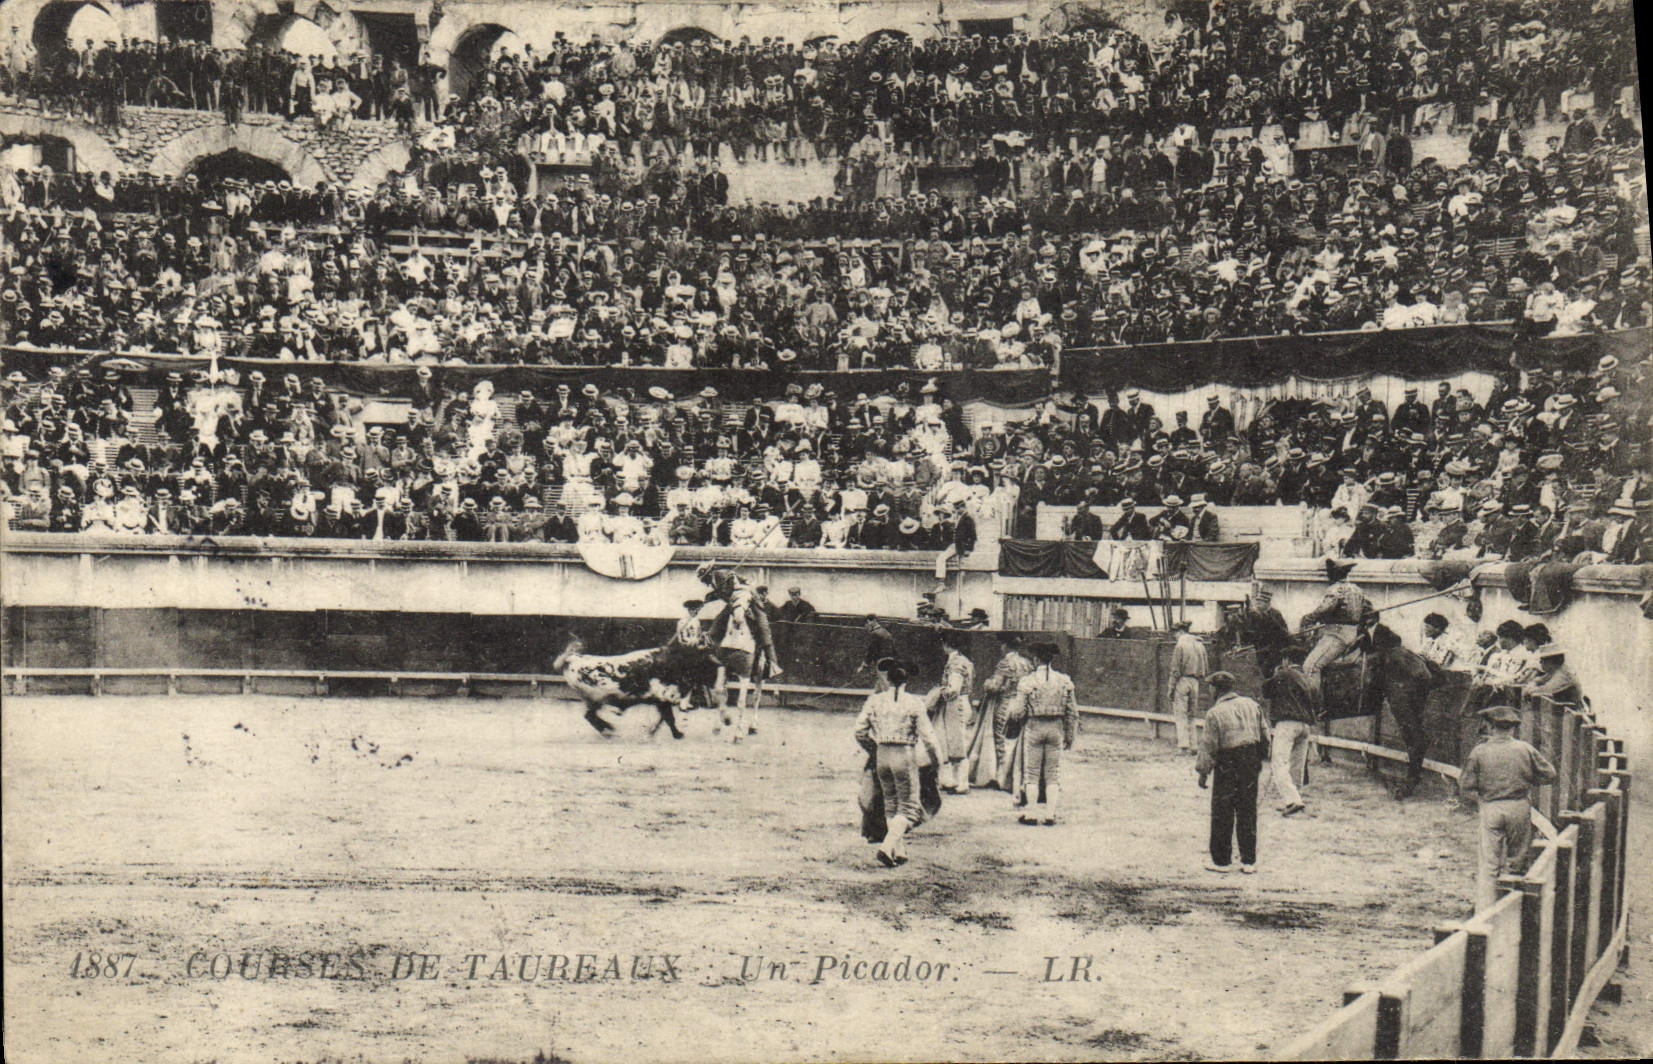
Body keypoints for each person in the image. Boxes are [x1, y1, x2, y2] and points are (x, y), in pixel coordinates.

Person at [1458, 705, 1557, 911]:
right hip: (1519, 806)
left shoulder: (1479, 751)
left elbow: (1466, 785)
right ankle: (1510, 909)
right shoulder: (1525, 749)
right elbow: (1550, 774)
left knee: (1489, 864)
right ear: (1512, 728)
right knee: (1516, 861)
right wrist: (1526, 781)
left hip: (1491, 807)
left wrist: (1483, 793)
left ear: (1491, 726)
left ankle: (1484, 911)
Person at [854, 662, 941, 867]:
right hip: (904, 755)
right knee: (909, 808)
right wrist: (937, 761)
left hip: (882, 754)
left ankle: (898, 851)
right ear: (906, 681)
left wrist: (873, 748)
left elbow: (859, 731)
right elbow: (928, 738)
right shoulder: (914, 703)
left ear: (887, 679)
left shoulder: (875, 700)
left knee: (891, 805)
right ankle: (886, 847)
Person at [1196, 671, 1269, 874]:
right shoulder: (1251, 705)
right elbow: (1264, 734)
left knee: (1223, 810)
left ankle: (1222, 862)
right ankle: (1249, 861)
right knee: (1247, 808)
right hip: (1250, 758)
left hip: (1227, 761)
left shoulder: (1214, 713)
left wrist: (1203, 773)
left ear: (1216, 690)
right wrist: (1259, 759)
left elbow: (1208, 746)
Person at [1006, 642, 1078, 825]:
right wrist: (1070, 736)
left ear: (1036, 659)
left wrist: (1014, 720)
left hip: (1034, 727)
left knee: (1032, 772)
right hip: (1056, 728)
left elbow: (1018, 711)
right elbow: (1072, 712)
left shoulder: (1028, 681)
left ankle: (1031, 814)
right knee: (1052, 772)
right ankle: (1050, 815)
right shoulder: (1064, 680)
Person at [1299, 558, 1376, 706]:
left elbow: (1325, 608)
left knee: (1310, 666)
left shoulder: (1334, 590)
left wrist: (1307, 619)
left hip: (1335, 635)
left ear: (1334, 574)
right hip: (1353, 635)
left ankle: (1314, 707)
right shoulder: (1358, 590)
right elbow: (1371, 613)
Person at [1261, 649, 1317, 817]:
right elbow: (1317, 698)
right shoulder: (1308, 677)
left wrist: (1276, 672)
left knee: (1279, 763)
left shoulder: (1283, 674)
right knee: (1296, 765)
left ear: (1286, 659)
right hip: (1305, 726)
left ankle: (1293, 801)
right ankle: (1295, 797)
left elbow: (1266, 690)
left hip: (1287, 723)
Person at [975, 632, 1032, 786]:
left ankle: (1001, 777)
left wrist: (986, 683)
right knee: (1016, 740)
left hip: (1005, 704)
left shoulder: (1005, 663)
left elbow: (995, 686)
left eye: (1002, 644)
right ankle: (1015, 776)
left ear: (1006, 646)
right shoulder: (1026, 663)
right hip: (1022, 704)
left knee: (1000, 738)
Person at [929, 629, 975, 795]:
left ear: (946, 645)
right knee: (954, 742)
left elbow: (953, 689)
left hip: (955, 704)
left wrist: (938, 692)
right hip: (959, 704)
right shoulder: (963, 661)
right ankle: (955, 781)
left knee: (956, 743)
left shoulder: (956, 664)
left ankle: (961, 783)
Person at [1167, 618, 1208, 754]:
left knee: (1181, 714)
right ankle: (1194, 745)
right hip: (1195, 682)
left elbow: (1175, 670)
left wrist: (1171, 688)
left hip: (1182, 681)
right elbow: (1205, 668)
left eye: (1175, 633)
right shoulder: (1200, 644)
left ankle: (1183, 745)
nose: (1174, 636)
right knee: (1192, 715)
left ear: (1180, 631)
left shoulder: (1180, 645)